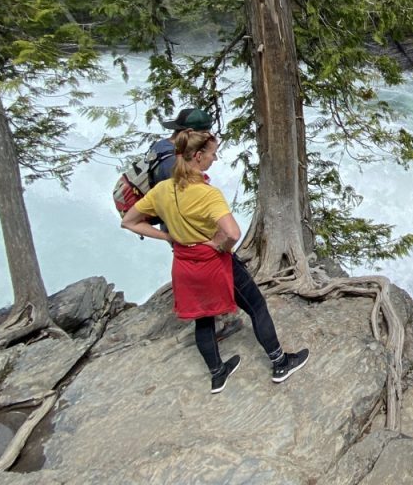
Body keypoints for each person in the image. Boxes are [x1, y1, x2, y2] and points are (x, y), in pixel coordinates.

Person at [121, 129, 309, 393]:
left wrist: (168, 236)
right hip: (213, 261)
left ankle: (217, 374)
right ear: (198, 156)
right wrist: (220, 246)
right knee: (256, 306)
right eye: (212, 154)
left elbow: (128, 221)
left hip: (184, 263)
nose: (215, 159)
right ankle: (280, 363)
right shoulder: (207, 194)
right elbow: (233, 233)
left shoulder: (162, 190)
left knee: (203, 318)